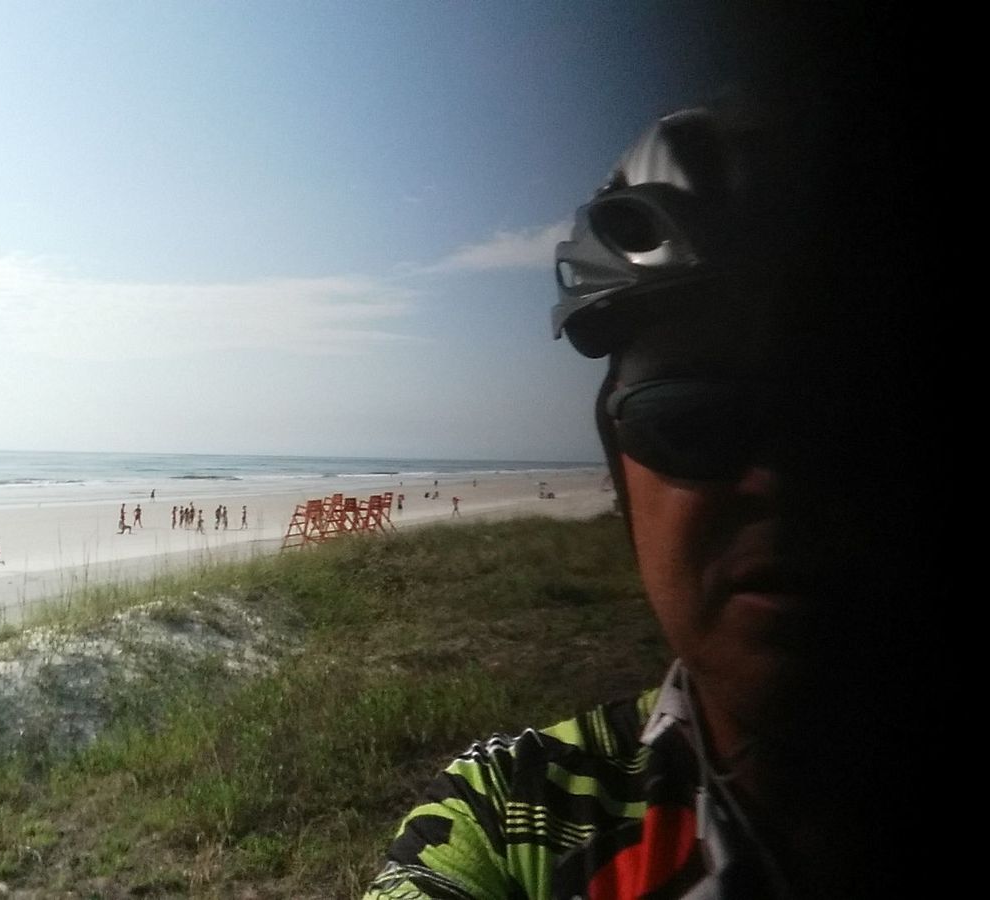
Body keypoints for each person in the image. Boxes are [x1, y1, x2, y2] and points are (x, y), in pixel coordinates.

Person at [362, 13, 944, 895]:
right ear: (618, 468)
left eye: (863, 414)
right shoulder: (511, 814)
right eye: (692, 416)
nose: (779, 479)